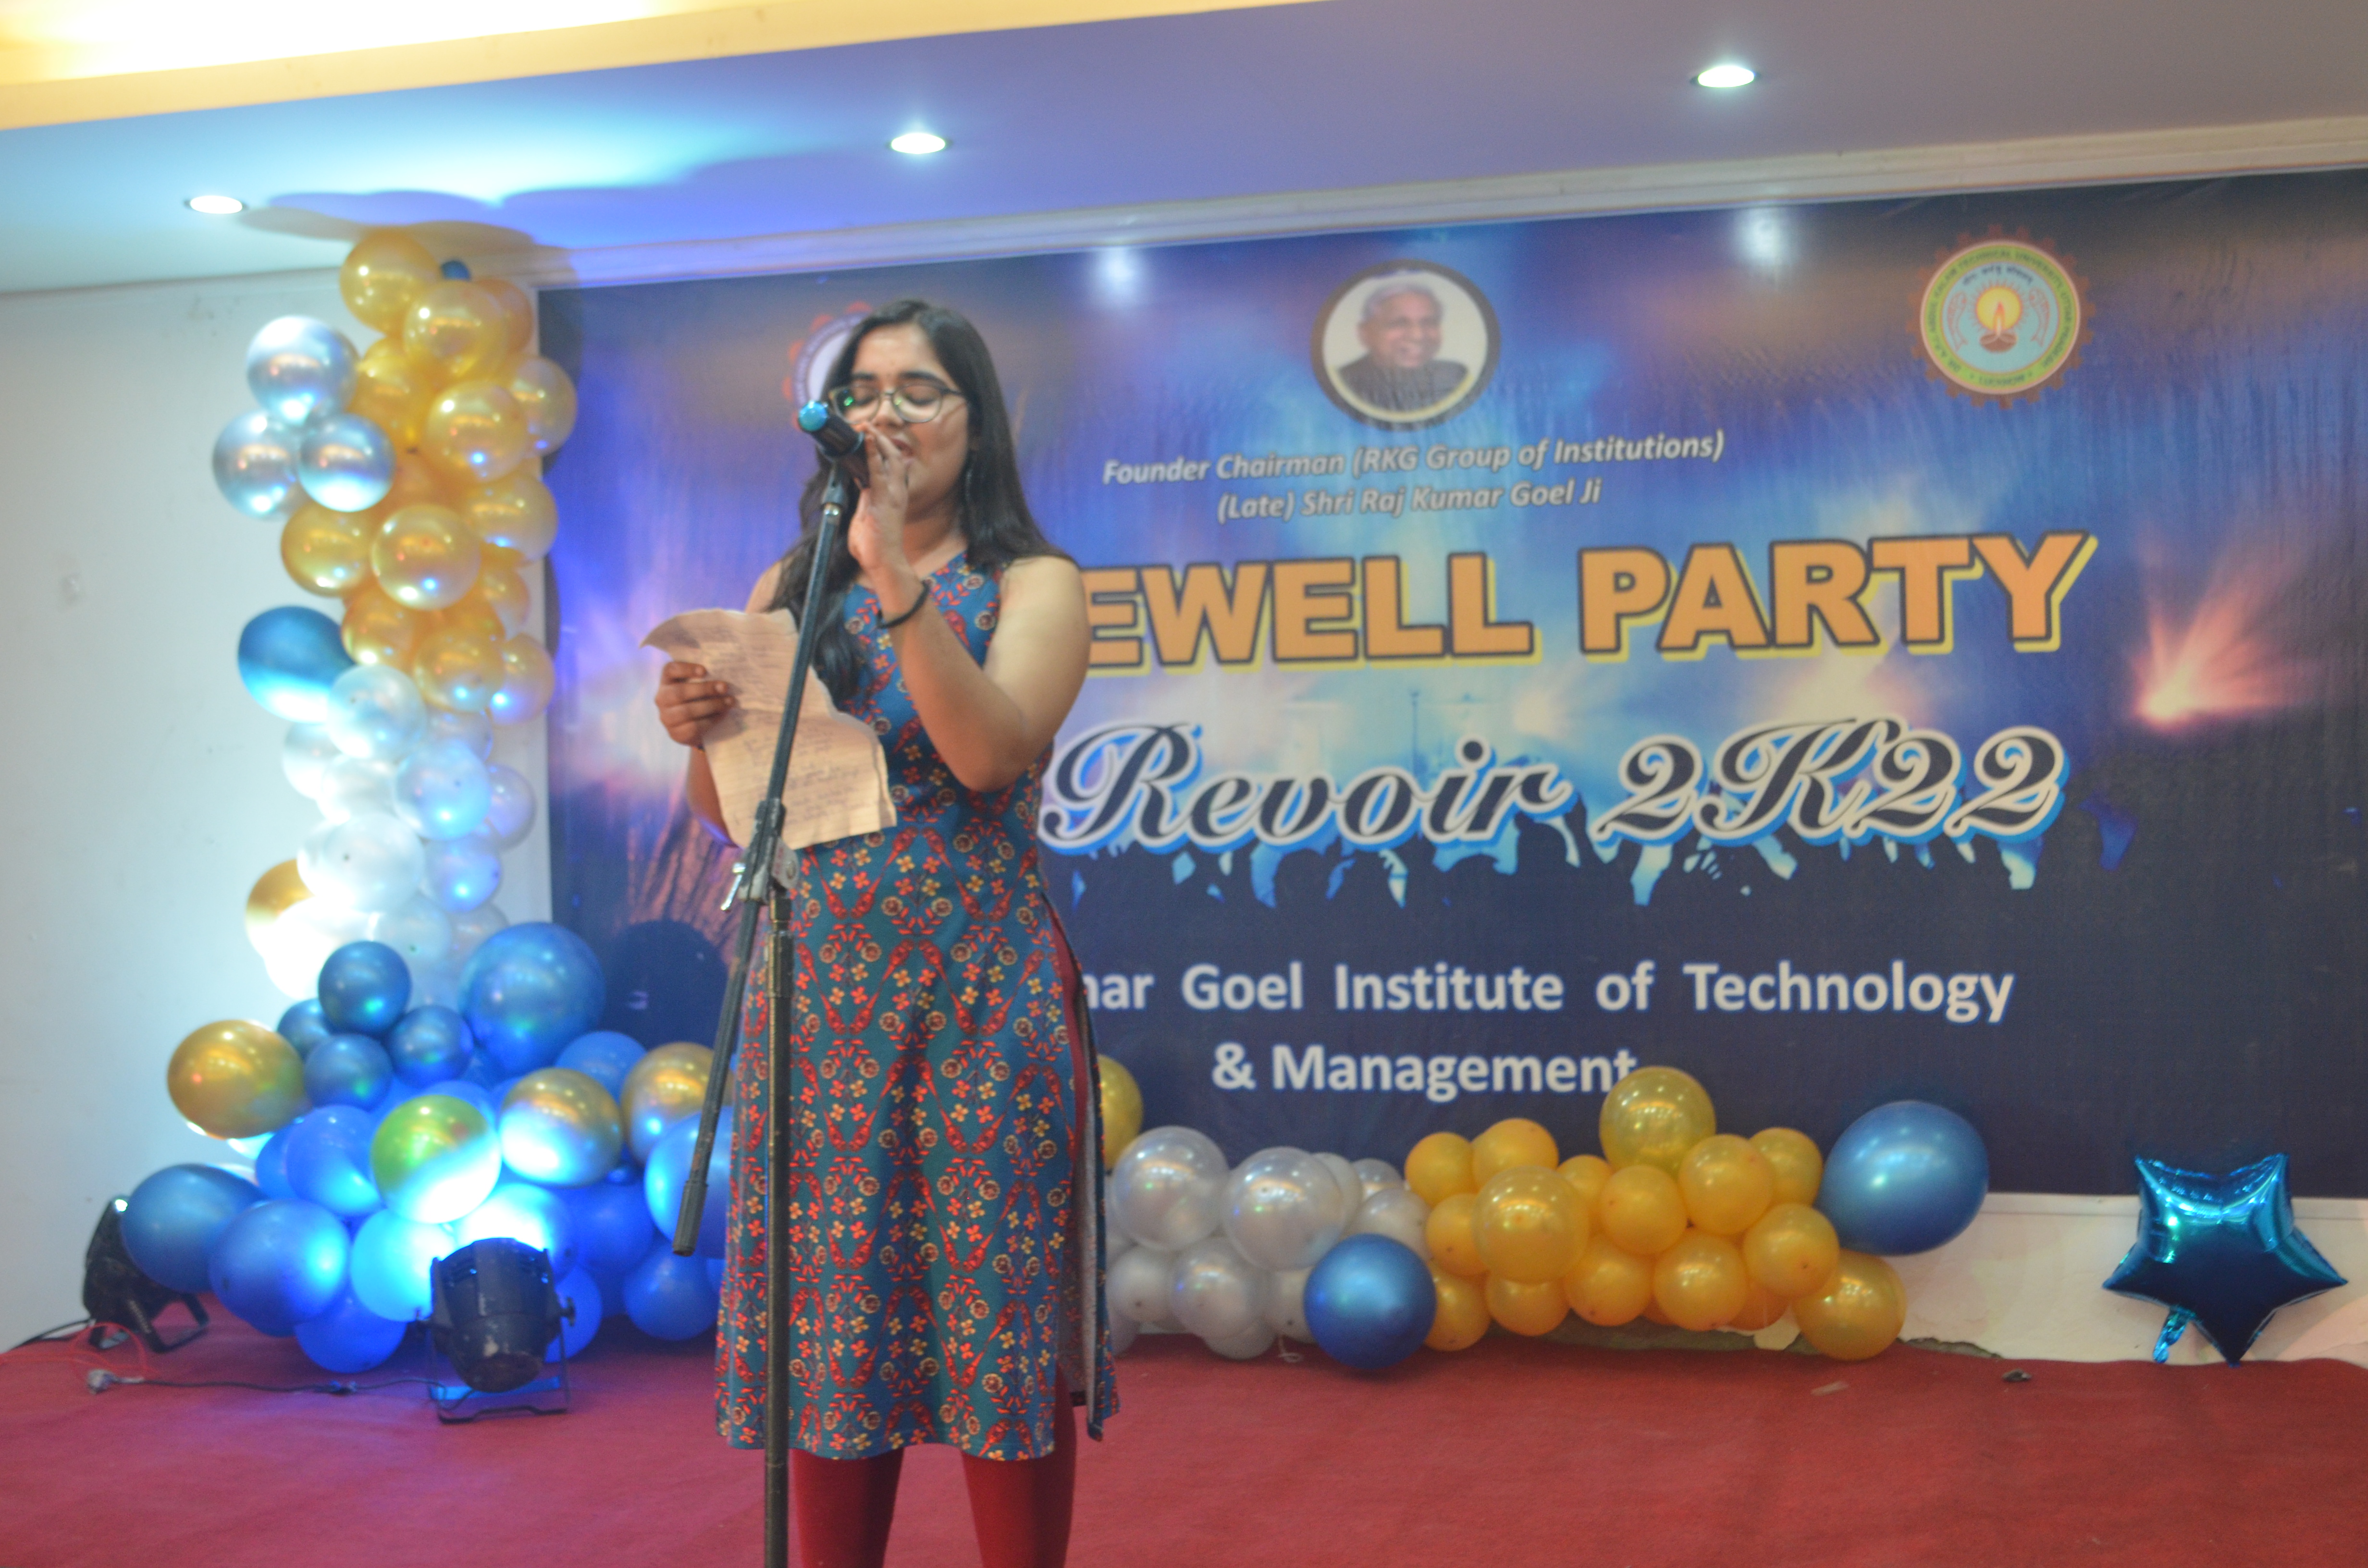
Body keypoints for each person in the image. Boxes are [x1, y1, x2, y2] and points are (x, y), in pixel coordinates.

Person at [654, 299, 1116, 1568]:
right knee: (831, 1315)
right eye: (864, 391)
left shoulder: (1033, 583)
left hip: (982, 998)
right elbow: (740, 813)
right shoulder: (790, 587)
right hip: (818, 998)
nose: (887, 414)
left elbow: (986, 756)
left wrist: (896, 576)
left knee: (995, 1312)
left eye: (920, 391)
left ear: (977, 422)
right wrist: (698, 731)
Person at [1333, 280, 1468, 412]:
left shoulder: (1456, 376)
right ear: (1366, 333)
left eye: (1428, 322)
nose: (1417, 336)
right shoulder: (1343, 383)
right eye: (1399, 323)